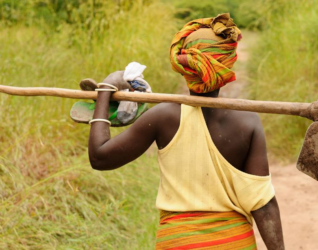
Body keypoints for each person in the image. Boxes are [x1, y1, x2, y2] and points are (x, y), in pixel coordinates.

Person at [88, 13, 284, 249]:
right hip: (233, 242)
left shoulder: (162, 117)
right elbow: (263, 204)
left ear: (183, 67)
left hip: (178, 242)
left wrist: (105, 90)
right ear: (227, 65)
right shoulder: (248, 122)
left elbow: (100, 157)